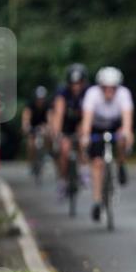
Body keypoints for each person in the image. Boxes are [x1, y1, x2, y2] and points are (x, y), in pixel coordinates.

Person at [80, 67, 135, 222]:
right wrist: (85, 136)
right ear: (100, 87)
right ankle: (97, 201)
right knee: (97, 163)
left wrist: (127, 133)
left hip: (115, 126)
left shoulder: (124, 94)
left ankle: (121, 163)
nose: (109, 91)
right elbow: (87, 120)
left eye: (113, 88)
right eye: (106, 88)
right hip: (97, 128)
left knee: (123, 138)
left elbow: (127, 119)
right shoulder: (92, 94)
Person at [51, 64, 90, 196]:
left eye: (79, 83)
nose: (76, 87)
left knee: (83, 141)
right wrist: (57, 134)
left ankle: (84, 170)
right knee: (64, 149)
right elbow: (58, 114)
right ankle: (63, 180)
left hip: (81, 123)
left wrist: (85, 132)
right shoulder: (62, 93)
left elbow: (88, 114)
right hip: (66, 125)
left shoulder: (89, 92)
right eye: (73, 83)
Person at [22, 86, 52, 170]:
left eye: (42, 99)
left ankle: (46, 153)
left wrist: (48, 127)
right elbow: (26, 116)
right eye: (39, 98)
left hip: (43, 125)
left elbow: (50, 118)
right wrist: (26, 126)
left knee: (48, 136)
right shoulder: (30, 104)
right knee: (30, 144)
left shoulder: (47, 105)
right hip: (32, 126)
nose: (40, 101)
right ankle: (31, 162)